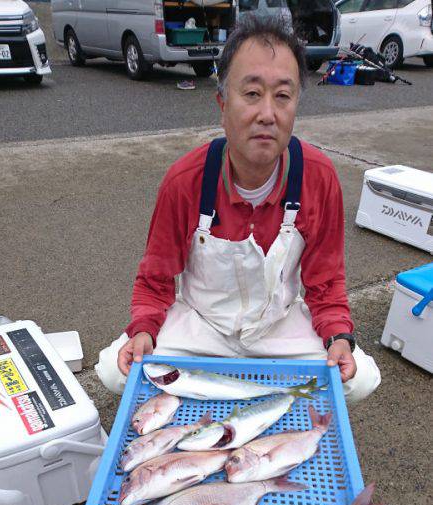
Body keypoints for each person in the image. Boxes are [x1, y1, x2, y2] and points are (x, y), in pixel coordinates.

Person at [95, 15, 381, 405]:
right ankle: (260, 393)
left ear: (296, 104)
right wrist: (144, 328)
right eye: (251, 94)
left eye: (283, 95)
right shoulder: (185, 180)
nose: (268, 114)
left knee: (360, 378)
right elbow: (155, 280)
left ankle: (252, 396)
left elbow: (326, 283)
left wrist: (338, 336)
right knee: (115, 369)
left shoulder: (319, 176)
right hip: (201, 326)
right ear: (222, 103)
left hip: (278, 326)